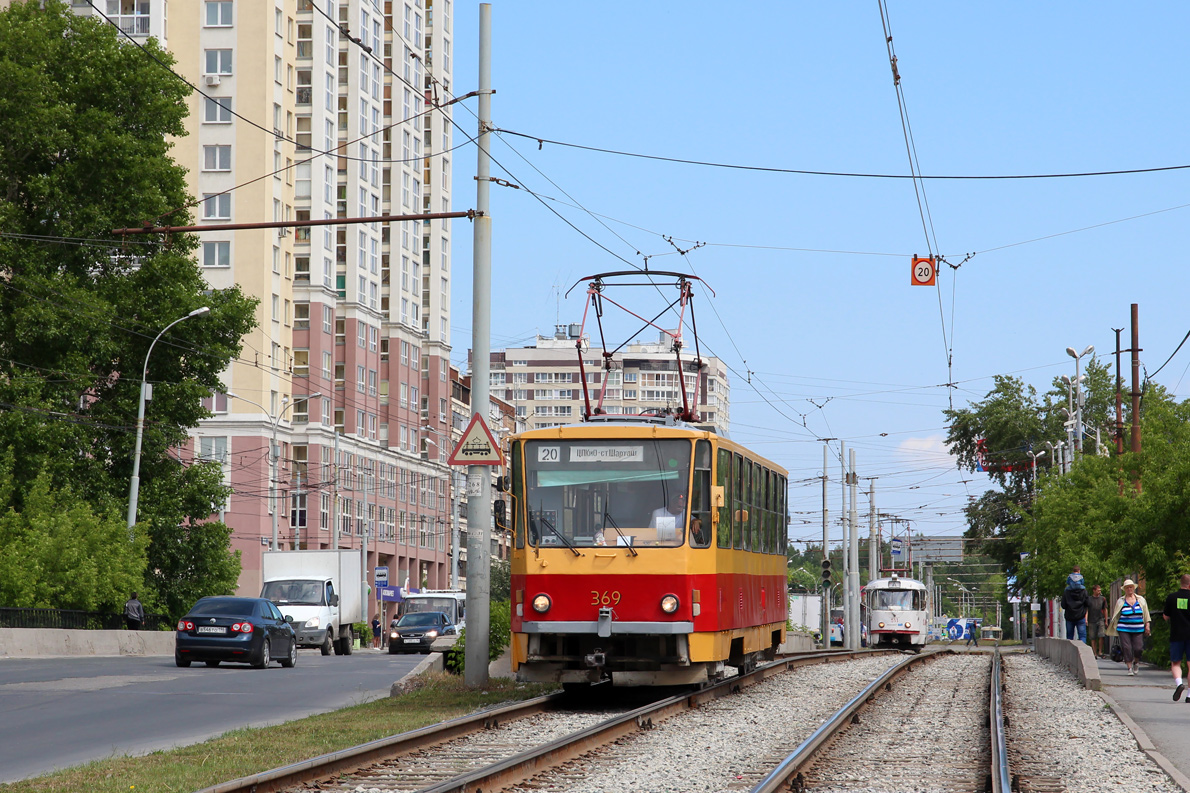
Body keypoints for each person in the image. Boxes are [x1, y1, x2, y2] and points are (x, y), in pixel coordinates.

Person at [1109, 579, 1150, 675]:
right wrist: (1114, 627)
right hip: (1124, 628)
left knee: (1138, 648)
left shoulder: (1141, 600)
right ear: (1124, 589)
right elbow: (1116, 615)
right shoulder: (1121, 601)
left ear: (1134, 588)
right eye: (1127, 587)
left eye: (1131, 587)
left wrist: (1147, 625)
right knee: (1126, 648)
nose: (1129, 589)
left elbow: (1146, 614)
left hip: (1138, 628)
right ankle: (1129, 668)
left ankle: (1136, 662)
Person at [1163, 573, 1190, 702]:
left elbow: (1165, 616)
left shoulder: (1172, 597)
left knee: (1176, 662)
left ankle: (1179, 684)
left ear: (1181, 583)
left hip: (1176, 634)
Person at [1061, 567, 1089, 643]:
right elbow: (1088, 603)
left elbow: (1063, 605)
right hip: (1081, 616)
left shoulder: (1066, 591)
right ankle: (1083, 652)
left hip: (1069, 616)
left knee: (1070, 636)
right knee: (1082, 636)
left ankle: (1069, 653)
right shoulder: (1084, 590)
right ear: (1079, 571)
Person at [1086, 584, 1109, 658]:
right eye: (1098, 590)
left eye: (1100, 590)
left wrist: (1106, 620)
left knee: (1101, 635)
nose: (1099, 592)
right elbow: (1087, 610)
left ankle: (1100, 652)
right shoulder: (1089, 599)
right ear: (1094, 590)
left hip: (1100, 619)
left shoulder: (1103, 599)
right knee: (1093, 637)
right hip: (1091, 620)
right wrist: (1086, 619)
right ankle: (1094, 653)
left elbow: (1105, 609)